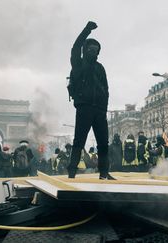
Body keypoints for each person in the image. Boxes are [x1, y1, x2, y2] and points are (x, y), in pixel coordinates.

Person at [66, 21, 114, 180]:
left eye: (97, 50)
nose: (95, 52)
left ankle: (104, 173)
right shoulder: (78, 64)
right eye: (92, 49)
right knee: (79, 141)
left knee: (103, 143)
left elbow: (106, 88)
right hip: (84, 108)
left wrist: (104, 108)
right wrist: (87, 30)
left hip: (99, 110)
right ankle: (72, 172)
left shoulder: (100, 68)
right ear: (86, 50)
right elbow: (75, 47)